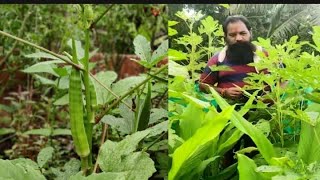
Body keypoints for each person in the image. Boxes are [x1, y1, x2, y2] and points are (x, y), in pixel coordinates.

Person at [199, 15, 269, 101]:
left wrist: (270, 100)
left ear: (250, 33)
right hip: (228, 112)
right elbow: (203, 85)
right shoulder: (218, 59)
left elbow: (284, 82)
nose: (238, 38)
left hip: (264, 112)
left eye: (243, 33)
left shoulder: (265, 55)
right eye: (232, 35)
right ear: (225, 37)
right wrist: (223, 92)